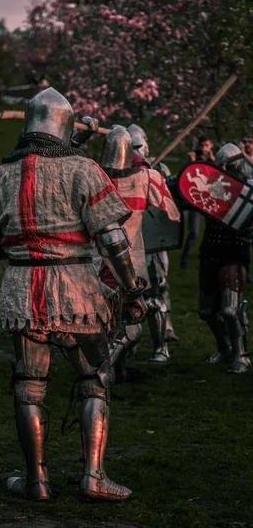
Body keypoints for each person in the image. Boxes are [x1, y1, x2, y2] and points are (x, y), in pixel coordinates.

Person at [0, 87, 147, 501]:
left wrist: (11, 242)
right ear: (64, 127)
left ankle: (36, 481)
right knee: (95, 380)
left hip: (21, 292)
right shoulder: (82, 170)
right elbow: (114, 238)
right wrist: (133, 288)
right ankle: (93, 476)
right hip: (76, 293)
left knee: (29, 386)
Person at [100, 126, 180, 365]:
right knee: (126, 316)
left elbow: (168, 218)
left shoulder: (95, 175)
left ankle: (152, 350)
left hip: (115, 258)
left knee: (126, 311)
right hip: (127, 260)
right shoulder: (148, 177)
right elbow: (172, 215)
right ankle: (112, 367)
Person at [197, 142, 251, 374]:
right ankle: (224, 348)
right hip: (210, 252)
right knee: (206, 311)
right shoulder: (210, 186)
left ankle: (241, 355)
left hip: (234, 254)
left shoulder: (249, 188)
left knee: (230, 311)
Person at [180, 136, 215, 271]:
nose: (204, 148)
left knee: (211, 233)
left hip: (210, 201)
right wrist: (191, 163)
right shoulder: (194, 158)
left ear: (210, 146)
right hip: (196, 201)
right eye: (202, 145)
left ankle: (207, 262)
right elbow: (185, 177)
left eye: (206, 145)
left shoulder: (211, 160)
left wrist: (213, 161)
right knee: (193, 233)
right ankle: (184, 263)